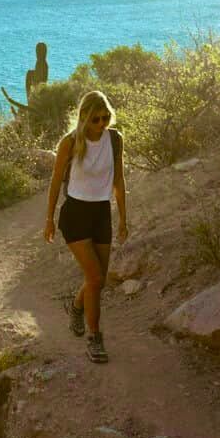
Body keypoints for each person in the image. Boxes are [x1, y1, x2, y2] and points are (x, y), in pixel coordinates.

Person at [43, 90, 127, 363]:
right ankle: (94, 337)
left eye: (105, 118)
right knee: (94, 279)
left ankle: (77, 307)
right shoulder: (70, 143)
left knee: (98, 280)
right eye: (96, 119)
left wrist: (124, 218)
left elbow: (120, 181)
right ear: (84, 118)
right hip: (76, 214)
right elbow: (56, 182)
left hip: (102, 212)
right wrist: (49, 219)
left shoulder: (115, 140)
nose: (102, 124)